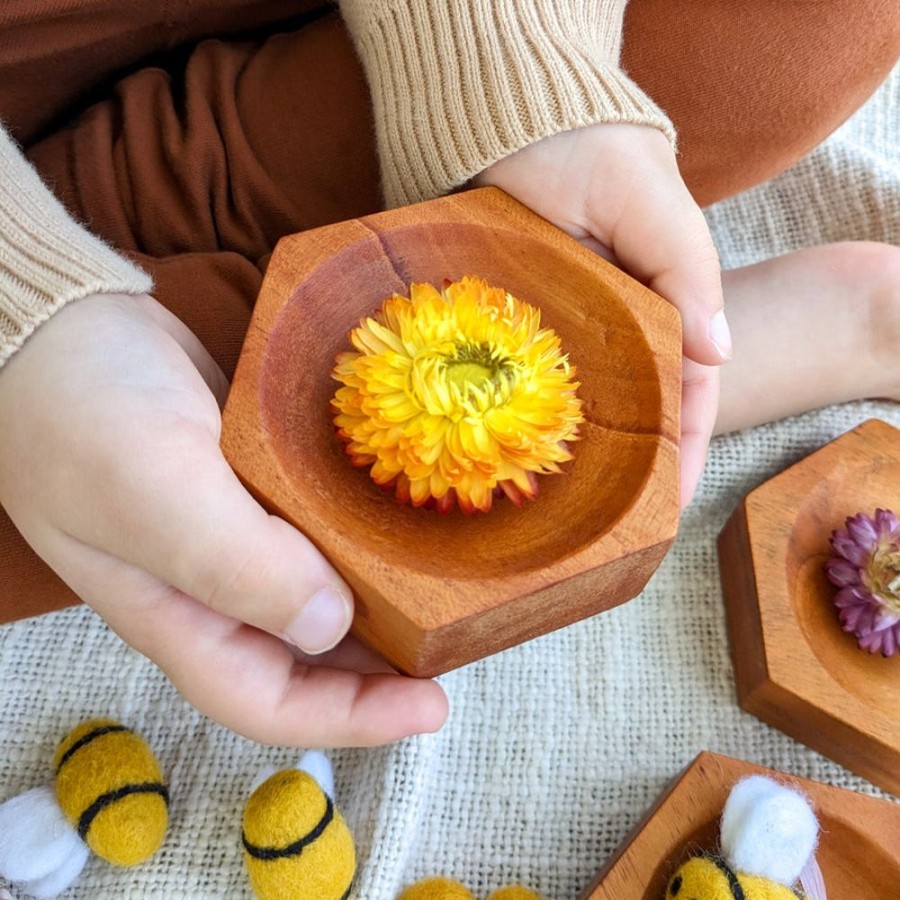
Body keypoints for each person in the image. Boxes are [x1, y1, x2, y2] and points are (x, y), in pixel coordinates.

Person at [0, 0, 897, 748]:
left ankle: (640, 341)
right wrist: (27, 321)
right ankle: (675, 360)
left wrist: (505, 56)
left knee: (811, 29)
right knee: (131, 485)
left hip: (328, 39)